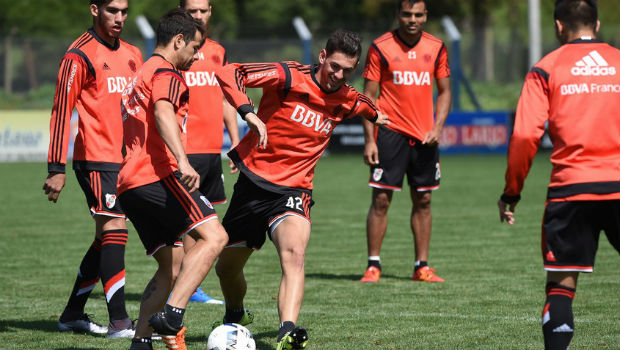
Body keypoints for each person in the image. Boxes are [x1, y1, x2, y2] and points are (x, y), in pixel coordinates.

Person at [213, 29, 388, 350]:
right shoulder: (288, 76)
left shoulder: (348, 97)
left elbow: (367, 106)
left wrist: (381, 117)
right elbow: (229, 72)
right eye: (334, 66)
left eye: (347, 70)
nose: (338, 75)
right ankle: (235, 313)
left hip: (294, 191)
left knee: (294, 255)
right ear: (322, 56)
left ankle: (287, 331)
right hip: (253, 185)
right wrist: (247, 113)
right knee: (226, 268)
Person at [497, 1, 620, 349]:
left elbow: (524, 137)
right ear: (596, 24)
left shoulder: (546, 68)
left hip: (571, 190)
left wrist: (511, 192)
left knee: (561, 287)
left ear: (557, 26)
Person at [118, 8, 228, 350]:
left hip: (129, 184)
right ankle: (174, 314)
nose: (196, 56)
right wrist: (183, 161)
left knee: (171, 267)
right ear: (177, 40)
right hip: (156, 174)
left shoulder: (144, 70)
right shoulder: (166, 71)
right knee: (215, 236)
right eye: (193, 48)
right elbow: (163, 110)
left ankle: (141, 341)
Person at [42, 0, 142, 338]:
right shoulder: (78, 55)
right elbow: (61, 112)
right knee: (115, 227)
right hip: (96, 159)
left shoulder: (132, 53)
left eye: (124, 11)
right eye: (113, 10)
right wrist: (56, 167)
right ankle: (120, 322)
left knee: (106, 237)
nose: (120, 17)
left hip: (127, 160)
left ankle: (72, 313)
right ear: (95, 9)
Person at [359, 0, 451, 283]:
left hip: (424, 137)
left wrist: (438, 127)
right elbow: (368, 98)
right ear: (398, 14)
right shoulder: (381, 47)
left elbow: (445, 92)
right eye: (407, 14)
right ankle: (373, 265)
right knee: (382, 200)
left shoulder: (436, 47)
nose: (412, 19)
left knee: (423, 199)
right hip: (389, 134)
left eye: (418, 14)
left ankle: (421, 266)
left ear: (425, 16)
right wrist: (370, 140)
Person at [180, 0, 238, 305]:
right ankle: (188, 285)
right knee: (191, 219)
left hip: (212, 149)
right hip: (184, 152)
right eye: (192, 11)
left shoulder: (218, 51)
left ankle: (191, 284)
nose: (198, 16)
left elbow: (227, 97)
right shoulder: (175, 52)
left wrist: (235, 141)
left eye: (203, 10)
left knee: (208, 216)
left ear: (211, 11)